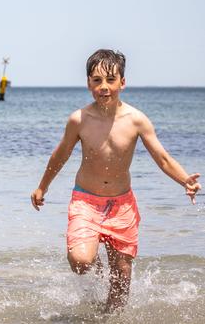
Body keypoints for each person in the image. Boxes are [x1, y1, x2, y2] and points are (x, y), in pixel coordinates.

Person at [30, 49, 201, 311]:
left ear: (122, 82)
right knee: (80, 262)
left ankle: (109, 317)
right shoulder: (79, 119)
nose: (104, 87)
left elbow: (163, 158)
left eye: (111, 80)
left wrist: (184, 180)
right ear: (88, 83)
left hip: (121, 205)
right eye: (97, 81)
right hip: (86, 201)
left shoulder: (136, 120)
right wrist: (43, 186)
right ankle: (93, 256)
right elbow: (60, 155)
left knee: (121, 275)